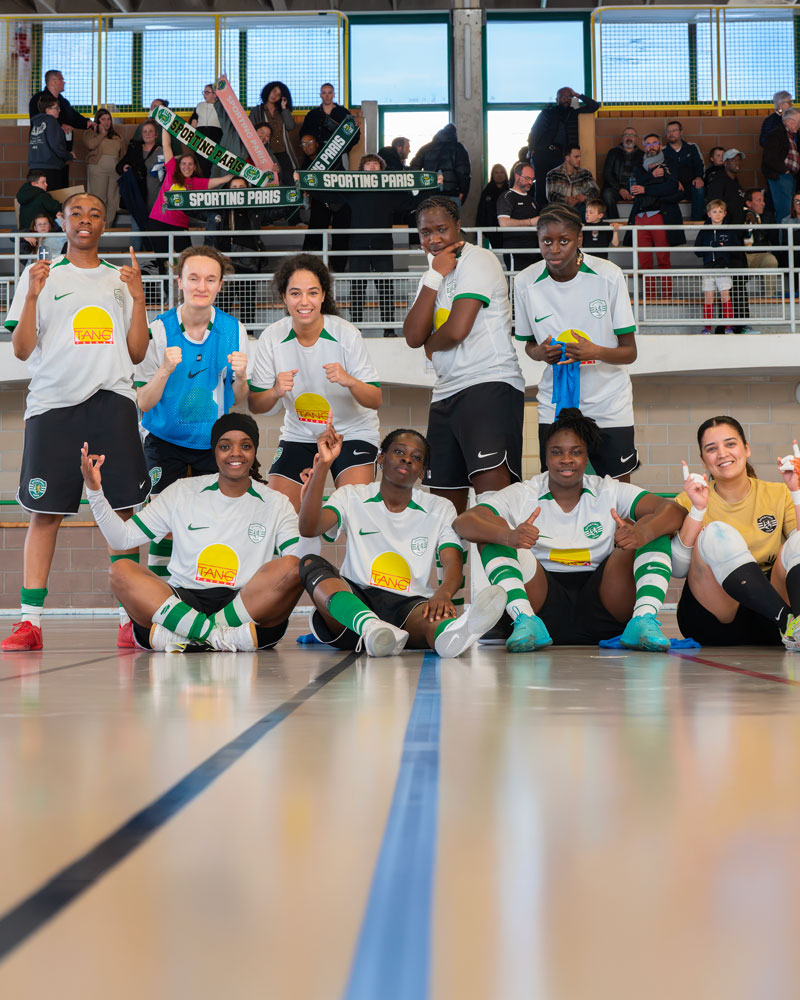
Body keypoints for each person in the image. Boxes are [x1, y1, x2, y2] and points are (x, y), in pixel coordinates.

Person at [1, 193, 150, 652]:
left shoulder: (120, 280)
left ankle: (130, 619)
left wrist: (140, 296)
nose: (85, 221)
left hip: (112, 403)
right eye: (76, 214)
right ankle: (31, 624)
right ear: (61, 222)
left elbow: (139, 352)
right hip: (54, 406)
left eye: (95, 214)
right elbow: (22, 350)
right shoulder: (40, 275)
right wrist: (30, 295)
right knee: (44, 514)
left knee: (122, 513)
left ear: (105, 224)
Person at [453, 408, 684, 653]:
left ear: (587, 457)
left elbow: (673, 510)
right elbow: (464, 522)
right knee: (491, 534)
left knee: (654, 528)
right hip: (541, 603)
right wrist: (509, 535)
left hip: (605, 602)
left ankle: (644, 620)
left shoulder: (609, 490)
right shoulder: (525, 492)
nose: (566, 459)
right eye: (557, 452)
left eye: (576, 452)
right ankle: (523, 619)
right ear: (546, 456)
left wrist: (643, 532)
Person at [80, 414, 305, 652]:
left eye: (245, 446)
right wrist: (95, 491)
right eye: (225, 446)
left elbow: (298, 559)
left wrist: (312, 499)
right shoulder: (182, 491)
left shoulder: (276, 502)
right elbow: (122, 538)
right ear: (214, 451)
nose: (235, 453)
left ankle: (187, 635)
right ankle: (216, 636)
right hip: (184, 601)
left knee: (293, 566)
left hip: (246, 602)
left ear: (255, 451)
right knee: (120, 570)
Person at [296, 423, 506, 658]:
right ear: (381, 458)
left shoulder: (439, 508)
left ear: (422, 471)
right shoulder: (351, 495)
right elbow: (308, 528)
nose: (407, 459)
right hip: (355, 603)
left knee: (436, 617)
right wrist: (325, 464)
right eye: (399, 452)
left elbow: (452, 562)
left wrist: (444, 593)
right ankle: (372, 627)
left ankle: (453, 634)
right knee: (310, 564)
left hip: (409, 607)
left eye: (416, 457)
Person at [403, 196, 524, 515]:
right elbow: (413, 336)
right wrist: (434, 275)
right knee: (444, 509)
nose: (434, 239)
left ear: (459, 226)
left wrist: (431, 345)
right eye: (425, 232)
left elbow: (457, 328)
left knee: (492, 505)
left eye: (441, 229)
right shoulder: (432, 275)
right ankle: (452, 569)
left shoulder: (478, 260)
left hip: (488, 384)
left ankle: (500, 567)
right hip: (445, 394)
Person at [134, 244, 250, 576]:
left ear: (220, 284)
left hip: (210, 443)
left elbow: (238, 397)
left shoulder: (231, 330)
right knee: (162, 521)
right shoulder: (158, 330)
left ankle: (202, 592)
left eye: (210, 279)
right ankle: (159, 597)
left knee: (209, 520)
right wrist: (164, 371)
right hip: (164, 438)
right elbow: (143, 402)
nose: (202, 286)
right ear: (180, 281)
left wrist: (241, 375)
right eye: (194, 278)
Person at [248, 253, 381, 517]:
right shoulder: (272, 338)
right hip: (300, 434)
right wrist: (274, 391)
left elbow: (375, 399)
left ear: (323, 296)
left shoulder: (346, 334)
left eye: (312, 292)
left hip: (352, 432)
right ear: (284, 297)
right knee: (280, 515)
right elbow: (256, 405)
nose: (304, 301)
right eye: (295, 293)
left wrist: (349, 381)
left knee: (354, 514)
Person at [514, 204, 638, 481]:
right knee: (557, 489)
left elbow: (629, 352)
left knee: (618, 492)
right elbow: (529, 346)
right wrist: (541, 353)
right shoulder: (525, 282)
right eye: (547, 241)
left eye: (564, 241)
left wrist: (595, 351)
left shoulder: (608, 275)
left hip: (608, 403)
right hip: (555, 404)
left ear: (579, 239)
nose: (554, 249)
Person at [672, 415, 800, 649]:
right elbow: (678, 569)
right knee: (716, 532)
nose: (722, 454)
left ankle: (796, 626)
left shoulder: (778, 494)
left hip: (770, 621)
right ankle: (787, 620)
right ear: (703, 460)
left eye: (730, 444)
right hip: (717, 618)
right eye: (712, 449)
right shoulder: (689, 499)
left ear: (746, 449)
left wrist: (797, 492)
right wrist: (698, 510)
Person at [328, 153, 415, 337]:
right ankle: (356, 328)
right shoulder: (353, 190)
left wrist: (434, 184)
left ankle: (389, 329)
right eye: (368, 164)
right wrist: (304, 183)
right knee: (357, 287)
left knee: (385, 287)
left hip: (382, 245)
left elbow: (410, 202)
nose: (372, 167)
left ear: (382, 169)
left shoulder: (389, 192)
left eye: (376, 164)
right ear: (362, 169)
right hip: (358, 244)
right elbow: (331, 194)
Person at [148, 129, 231, 267]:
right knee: (163, 263)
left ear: (194, 167)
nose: (187, 167)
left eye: (190, 164)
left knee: (187, 262)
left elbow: (221, 180)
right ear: (179, 165)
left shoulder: (196, 183)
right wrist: (164, 126)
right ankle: (166, 289)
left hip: (180, 226)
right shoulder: (172, 172)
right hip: (158, 222)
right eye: (184, 164)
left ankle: (184, 288)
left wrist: (238, 175)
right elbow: (167, 145)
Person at [628, 133, 682, 301]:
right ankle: (650, 297)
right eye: (648, 144)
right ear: (644, 147)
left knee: (662, 258)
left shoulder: (669, 163)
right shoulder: (639, 165)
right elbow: (633, 186)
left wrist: (646, 189)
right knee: (644, 260)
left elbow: (671, 187)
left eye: (654, 143)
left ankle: (666, 296)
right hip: (640, 216)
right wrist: (651, 177)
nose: (651, 146)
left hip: (660, 215)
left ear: (660, 146)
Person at [527, 87, 600, 208]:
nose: (566, 100)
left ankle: (557, 213)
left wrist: (578, 95)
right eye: (563, 97)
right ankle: (541, 214)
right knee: (541, 186)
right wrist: (531, 149)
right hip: (543, 153)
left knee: (559, 186)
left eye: (569, 97)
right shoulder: (547, 112)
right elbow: (534, 131)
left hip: (560, 155)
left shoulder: (574, 112)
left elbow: (594, 106)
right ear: (557, 99)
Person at [29, 70, 94, 187]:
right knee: (49, 189)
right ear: (53, 82)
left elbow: (73, 116)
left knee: (62, 186)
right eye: (61, 79)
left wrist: (87, 122)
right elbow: (38, 121)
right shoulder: (38, 100)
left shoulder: (63, 102)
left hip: (62, 154)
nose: (64, 82)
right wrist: (59, 125)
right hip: (48, 156)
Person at [694, 199, 745, 335]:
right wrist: (709, 247)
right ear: (709, 214)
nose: (717, 214)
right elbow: (697, 251)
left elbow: (737, 249)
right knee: (708, 297)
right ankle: (707, 328)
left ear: (725, 214)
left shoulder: (729, 231)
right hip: (709, 267)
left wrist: (723, 247)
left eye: (720, 212)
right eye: (714, 211)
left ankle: (728, 327)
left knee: (725, 296)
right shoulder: (704, 231)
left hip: (723, 268)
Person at [116, 118, 163, 255]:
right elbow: (118, 167)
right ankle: (134, 257)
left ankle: (155, 256)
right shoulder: (135, 150)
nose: (148, 134)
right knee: (136, 227)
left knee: (155, 227)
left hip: (156, 196)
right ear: (141, 134)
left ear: (156, 135)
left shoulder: (163, 151)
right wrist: (124, 167)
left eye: (151, 131)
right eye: (145, 132)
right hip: (138, 197)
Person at [409, 124, 471, 210]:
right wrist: (463, 192)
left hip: (428, 194)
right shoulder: (458, 148)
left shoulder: (426, 148)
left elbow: (414, 171)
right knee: (450, 221)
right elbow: (463, 173)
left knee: (430, 221)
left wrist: (419, 192)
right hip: (451, 194)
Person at [83, 108, 126, 225]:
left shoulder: (117, 136)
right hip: (98, 168)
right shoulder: (90, 133)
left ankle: (108, 225)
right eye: (103, 119)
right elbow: (91, 145)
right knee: (99, 198)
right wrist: (102, 134)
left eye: (108, 119)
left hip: (114, 170)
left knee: (112, 199)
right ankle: (97, 225)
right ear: (97, 120)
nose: (106, 122)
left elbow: (123, 154)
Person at [496, 160, 540, 271]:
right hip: (516, 251)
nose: (530, 182)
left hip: (534, 252)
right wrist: (530, 222)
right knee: (516, 284)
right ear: (517, 176)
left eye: (532, 179)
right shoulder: (507, 197)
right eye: (527, 178)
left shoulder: (532, 200)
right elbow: (503, 223)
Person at [249, 81, 296, 185]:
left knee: (289, 179)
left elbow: (290, 126)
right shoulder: (257, 110)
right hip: (266, 153)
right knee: (271, 181)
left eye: (279, 94)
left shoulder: (281, 111)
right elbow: (251, 132)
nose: (275, 95)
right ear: (268, 90)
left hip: (283, 151)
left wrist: (284, 108)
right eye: (274, 91)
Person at [761, 110, 800, 229]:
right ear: (788, 121)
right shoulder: (776, 134)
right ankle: (783, 243)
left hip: (791, 176)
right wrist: (784, 170)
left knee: (789, 208)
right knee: (785, 210)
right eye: (797, 122)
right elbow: (769, 158)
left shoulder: (792, 136)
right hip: (781, 176)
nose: (798, 126)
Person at [28, 94, 73, 192]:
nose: (59, 110)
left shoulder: (36, 123)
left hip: (34, 168)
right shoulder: (51, 121)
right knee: (51, 199)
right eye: (56, 108)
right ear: (48, 109)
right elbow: (56, 145)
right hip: (50, 169)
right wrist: (68, 156)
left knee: (38, 198)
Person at [301, 83, 356, 162]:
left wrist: (344, 149)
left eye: (329, 93)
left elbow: (354, 135)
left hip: (338, 155)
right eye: (324, 93)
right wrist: (311, 147)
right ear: (320, 95)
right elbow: (303, 133)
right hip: (316, 156)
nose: (327, 96)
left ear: (333, 94)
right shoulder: (312, 114)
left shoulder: (343, 113)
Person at [663, 120, 705, 221]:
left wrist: (699, 177)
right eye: (668, 132)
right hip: (672, 187)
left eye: (674, 130)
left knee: (699, 189)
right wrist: (674, 182)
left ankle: (696, 222)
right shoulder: (662, 151)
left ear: (681, 132)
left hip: (691, 186)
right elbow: (662, 171)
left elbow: (700, 165)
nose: (671, 134)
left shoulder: (692, 148)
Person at [545, 146, 600, 218]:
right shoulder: (553, 174)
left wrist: (585, 197)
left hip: (582, 208)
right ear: (567, 158)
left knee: (595, 212)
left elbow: (595, 190)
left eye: (580, 156)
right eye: (576, 157)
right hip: (561, 209)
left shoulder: (585, 173)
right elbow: (550, 195)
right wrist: (566, 199)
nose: (579, 159)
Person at [601, 127, 643, 219]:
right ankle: (615, 223)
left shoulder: (642, 155)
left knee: (647, 195)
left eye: (632, 135)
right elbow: (607, 173)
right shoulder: (613, 152)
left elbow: (644, 175)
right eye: (626, 135)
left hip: (635, 189)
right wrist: (620, 189)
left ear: (636, 138)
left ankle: (635, 224)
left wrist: (635, 190)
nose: (629, 137)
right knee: (607, 194)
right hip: (616, 188)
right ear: (622, 138)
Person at [190, 84, 223, 177]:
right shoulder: (199, 106)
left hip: (215, 135)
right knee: (201, 162)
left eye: (207, 92)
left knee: (212, 163)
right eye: (204, 92)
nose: (204, 95)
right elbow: (194, 119)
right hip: (200, 135)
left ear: (215, 94)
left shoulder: (221, 106)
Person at [474, 163, 509, 247]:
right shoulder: (487, 191)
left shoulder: (510, 191)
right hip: (491, 229)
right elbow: (482, 211)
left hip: (507, 229)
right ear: (492, 175)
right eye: (496, 173)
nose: (499, 175)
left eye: (502, 172)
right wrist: (480, 231)